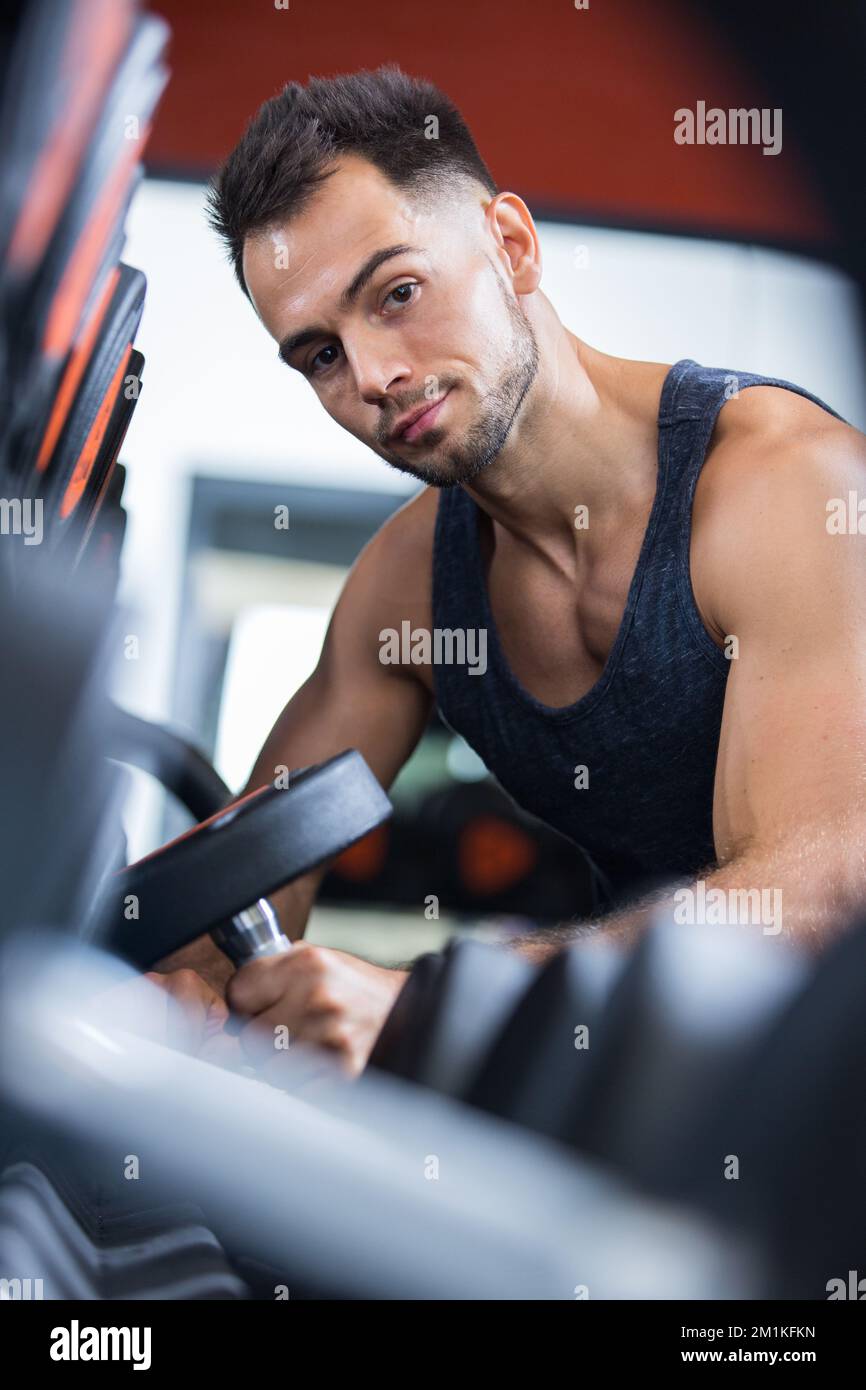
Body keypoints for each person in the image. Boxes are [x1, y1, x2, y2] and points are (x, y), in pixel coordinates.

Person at [156, 65, 866, 1076]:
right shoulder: (405, 590)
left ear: (511, 246)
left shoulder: (784, 489)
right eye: (318, 354)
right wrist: (177, 986)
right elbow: (248, 881)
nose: (370, 377)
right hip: (667, 1091)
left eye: (397, 294)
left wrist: (432, 1009)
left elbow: (823, 889)